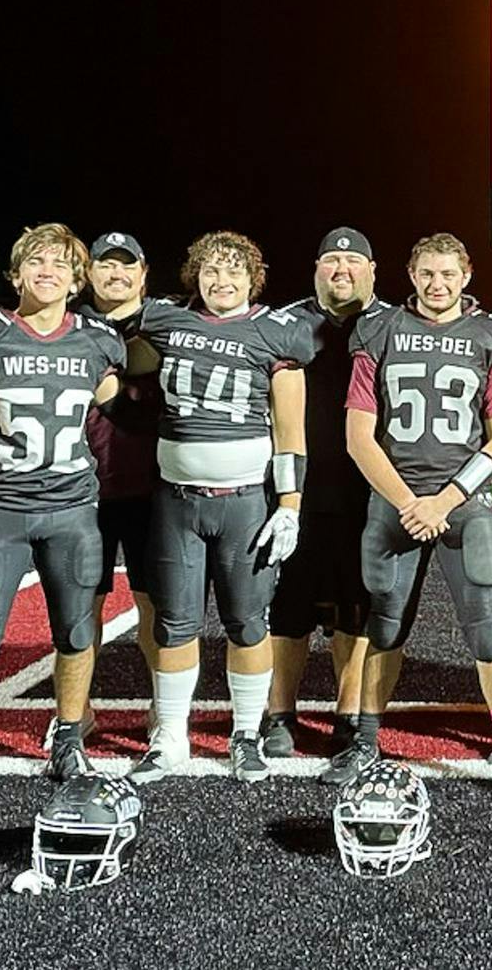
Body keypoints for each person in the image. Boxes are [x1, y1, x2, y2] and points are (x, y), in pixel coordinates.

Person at [339, 232, 492, 809]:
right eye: (427, 273)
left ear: (466, 275)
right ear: (410, 274)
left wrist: (443, 500)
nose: (437, 284)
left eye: (448, 274)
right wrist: (410, 500)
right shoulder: (378, 332)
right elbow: (359, 436)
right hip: (395, 497)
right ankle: (363, 741)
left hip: (463, 504)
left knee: (487, 630)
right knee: (384, 627)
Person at [0, 224, 124, 801]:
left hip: (71, 509)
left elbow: (112, 398)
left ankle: (69, 739)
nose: (48, 271)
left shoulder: (99, 340)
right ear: (16, 274)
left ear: (76, 278)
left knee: (75, 629)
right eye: (36, 262)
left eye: (61, 264)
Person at [126, 231, 314, 783]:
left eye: (233, 271)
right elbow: (122, 355)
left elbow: (290, 432)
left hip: (244, 504)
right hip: (177, 502)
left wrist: (290, 505)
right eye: (211, 269)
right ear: (194, 275)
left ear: (253, 279)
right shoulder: (166, 321)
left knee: (247, 624)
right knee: (174, 625)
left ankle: (246, 735)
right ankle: (170, 736)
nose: (221, 280)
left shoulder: (275, 333)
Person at [269, 228, 389, 767]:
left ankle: (348, 716)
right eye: (332, 260)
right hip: (296, 494)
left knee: (356, 614)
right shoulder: (284, 323)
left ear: (372, 269)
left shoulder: (391, 323)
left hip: (367, 496)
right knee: (288, 612)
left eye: (353, 260)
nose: (342, 269)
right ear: (316, 267)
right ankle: (279, 714)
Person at [81, 231, 161, 731]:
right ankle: (78, 710)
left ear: (142, 273)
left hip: (154, 488)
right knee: (80, 605)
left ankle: (161, 707)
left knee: (156, 602)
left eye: (125, 266)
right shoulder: (66, 324)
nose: (116, 274)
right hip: (83, 490)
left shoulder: (168, 325)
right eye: (105, 266)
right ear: (88, 273)